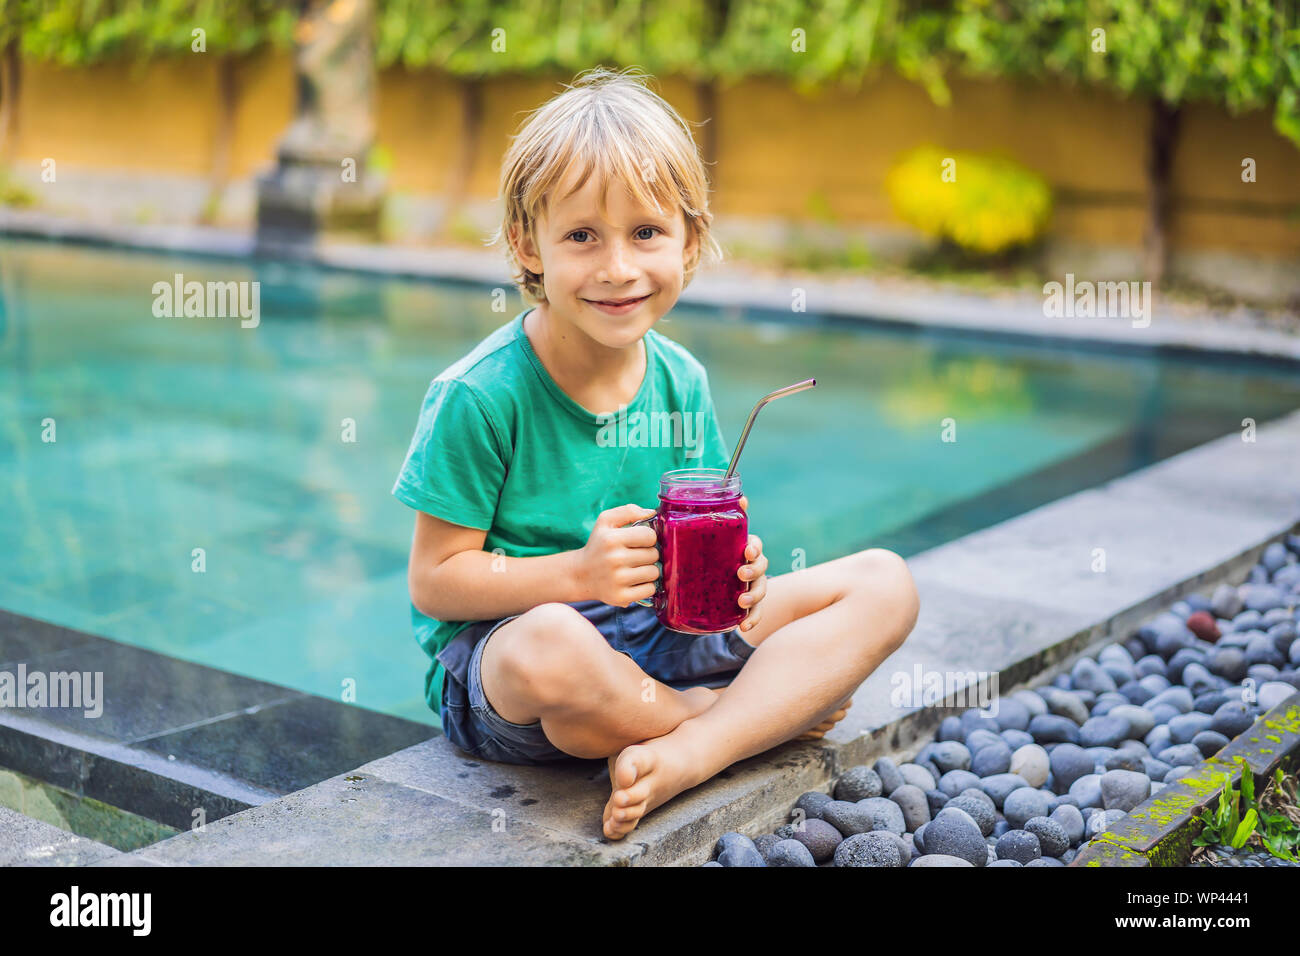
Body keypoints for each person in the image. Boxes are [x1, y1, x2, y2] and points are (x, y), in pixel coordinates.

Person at [393, 66, 920, 841]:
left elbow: (710, 527)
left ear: (690, 241)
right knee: (551, 643)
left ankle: (691, 751)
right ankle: (718, 721)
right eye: (581, 236)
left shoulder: (682, 380)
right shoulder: (481, 396)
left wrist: (741, 575)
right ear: (526, 244)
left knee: (886, 583)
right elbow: (435, 583)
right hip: (522, 674)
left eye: (646, 232)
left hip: (660, 632)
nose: (617, 267)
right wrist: (576, 574)